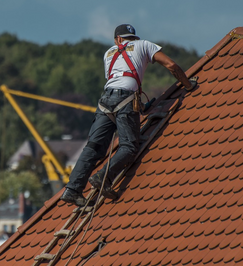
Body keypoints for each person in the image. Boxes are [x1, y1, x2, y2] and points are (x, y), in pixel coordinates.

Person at [60, 24, 195, 206]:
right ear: (131, 38)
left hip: (105, 101)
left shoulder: (108, 54)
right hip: (126, 99)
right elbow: (171, 65)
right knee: (129, 147)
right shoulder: (144, 45)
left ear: (117, 39)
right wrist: (188, 85)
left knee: (93, 147)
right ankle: (103, 177)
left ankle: (72, 189)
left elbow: (117, 79)